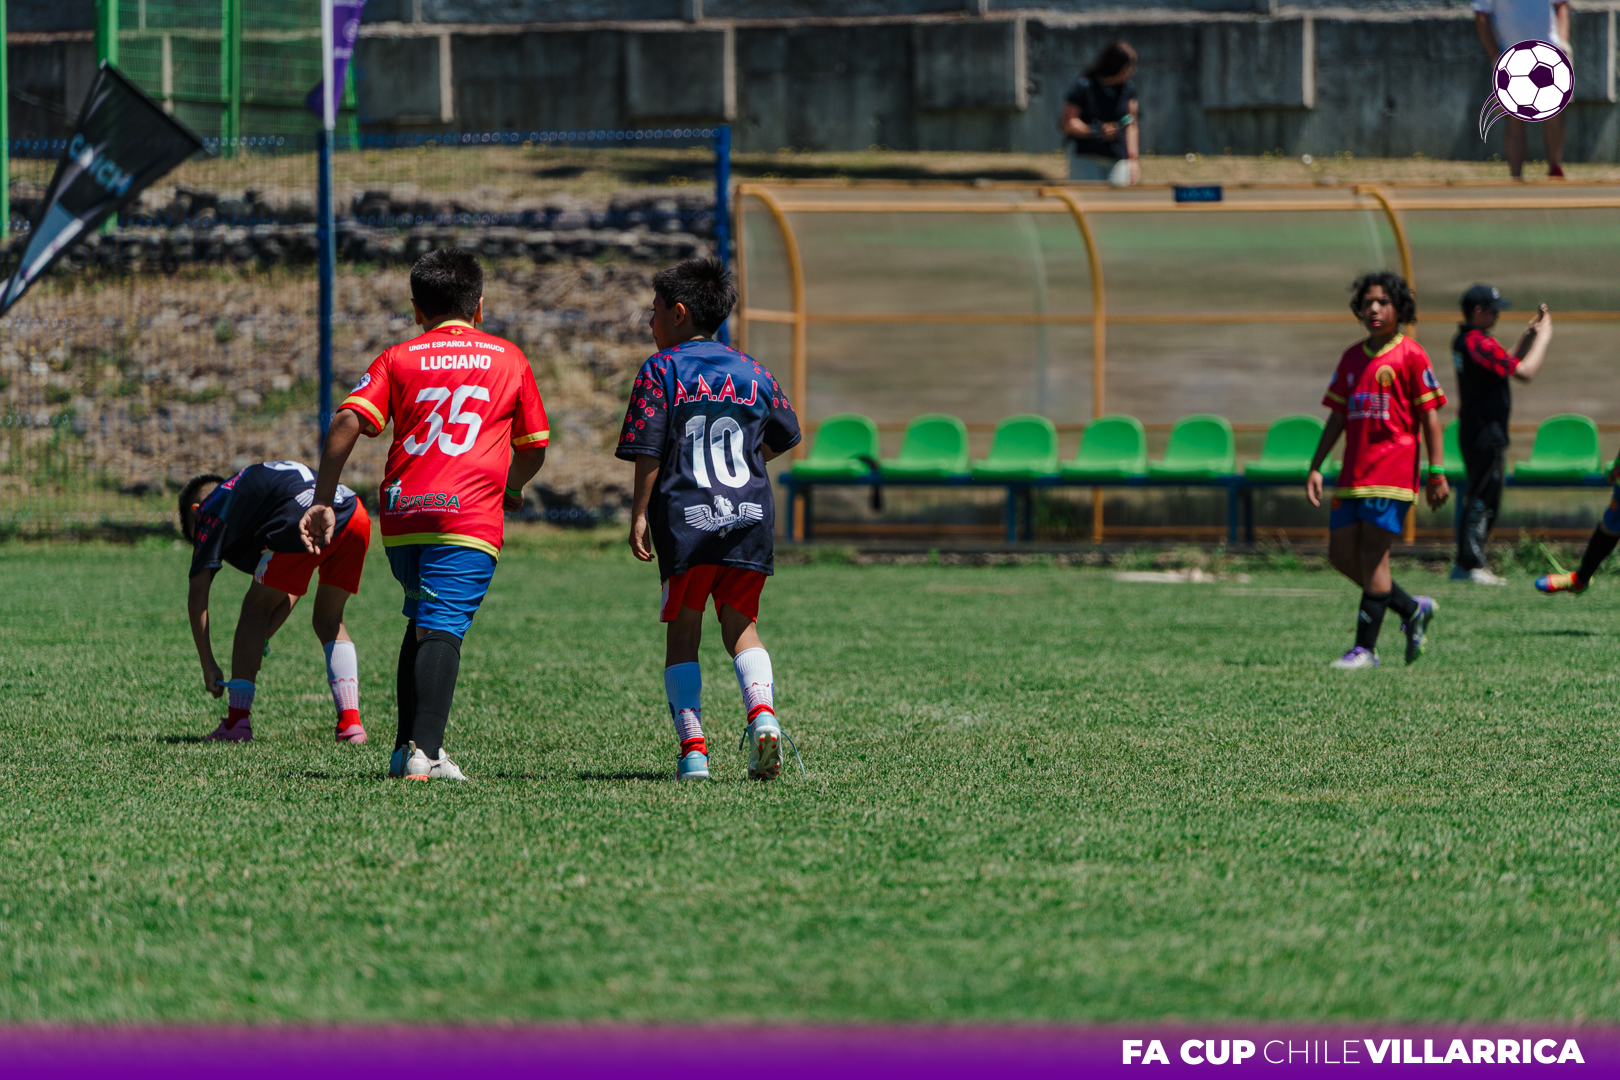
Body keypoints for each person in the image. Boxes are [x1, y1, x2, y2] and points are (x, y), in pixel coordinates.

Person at [298, 248, 550, 781]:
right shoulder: (509, 358)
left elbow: (346, 421)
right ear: (479, 306)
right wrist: (513, 486)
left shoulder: (399, 357)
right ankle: (426, 755)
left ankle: (403, 749)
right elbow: (534, 446)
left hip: (403, 517)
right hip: (465, 515)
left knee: (422, 620)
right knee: (443, 628)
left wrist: (322, 498)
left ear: (416, 309)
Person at [618, 257, 802, 782]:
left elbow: (649, 450)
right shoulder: (753, 370)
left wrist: (638, 513)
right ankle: (763, 716)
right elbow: (786, 432)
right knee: (742, 626)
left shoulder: (662, 369)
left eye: (655, 311)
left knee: (684, 633)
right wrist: (745, 463)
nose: (650, 321)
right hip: (749, 515)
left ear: (678, 313)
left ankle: (694, 752)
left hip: (687, 520)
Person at [1306, 272, 1450, 670]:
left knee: (1374, 557)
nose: (1374, 309)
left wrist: (1437, 472)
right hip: (1353, 473)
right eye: (1368, 302)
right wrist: (1316, 466)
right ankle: (1411, 608)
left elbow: (1430, 418)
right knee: (1340, 555)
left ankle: (1365, 650)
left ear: (1398, 309)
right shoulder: (1351, 358)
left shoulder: (1411, 355)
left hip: (1392, 472)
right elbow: (1337, 417)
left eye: (1383, 302)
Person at [180, 461, 370, 744]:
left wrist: (208, 665)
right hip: (353, 512)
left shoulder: (211, 507)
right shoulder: (255, 492)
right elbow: (291, 588)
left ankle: (236, 723)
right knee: (329, 620)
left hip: (302, 518)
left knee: (253, 611)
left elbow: (197, 597)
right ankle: (350, 725)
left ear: (197, 511)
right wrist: (264, 634)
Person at [1451, 284, 1554, 584]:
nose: (1497, 315)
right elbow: (1525, 372)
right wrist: (1544, 339)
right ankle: (1470, 565)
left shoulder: (1469, 341)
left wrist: (1528, 336)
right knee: (1484, 498)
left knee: (1482, 494)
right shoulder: (1478, 343)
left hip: (1476, 431)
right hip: (1485, 433)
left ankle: (1467, 564)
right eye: (1493, 310)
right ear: (1478, 312)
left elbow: (1504, 362)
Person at [1474, 0, 1570, 179]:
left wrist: (1562, 43)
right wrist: (1495, 55)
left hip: (1549, 55)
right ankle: (1515, 177)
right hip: (1511, 57)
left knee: (1555, 113)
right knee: (1514, 118)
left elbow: (1562, 6)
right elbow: (1481, 16)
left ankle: (1555, 169)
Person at [1060, 40, 1139, 187]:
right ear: (1114, 66)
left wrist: (1133, 159)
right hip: (1086, 156)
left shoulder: (1128, 89)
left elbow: (1131, 123)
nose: (1130, 73)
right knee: (1088, 199)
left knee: (1117, 199)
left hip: (1117, 158)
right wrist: (1097, 131)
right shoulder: (1084, 86)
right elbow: (1068, 123)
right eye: (1127, 69)